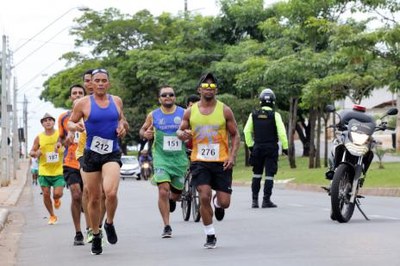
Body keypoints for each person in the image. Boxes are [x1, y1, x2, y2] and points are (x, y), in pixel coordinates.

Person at [68, 68, 128, 255]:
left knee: (110, 193)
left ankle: (108, 223)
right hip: (91, 154)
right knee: (93, 198)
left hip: (112, 152)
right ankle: (95, 234)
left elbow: (122, 121)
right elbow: (70, 122)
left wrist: (121, 127)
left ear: (108, 83)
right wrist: (75, 126)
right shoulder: (82, 103)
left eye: (104, 80)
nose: (101, 83)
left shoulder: (116, 101)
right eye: (97, 81)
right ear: (91, 84)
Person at [177, 72, 240, 249]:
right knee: (203, 195)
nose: (209, 89)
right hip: (200, 161)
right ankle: (210, 234)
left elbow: (235, 135)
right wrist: (183, 134)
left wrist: (232, 156)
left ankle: (217, 203)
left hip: (221, 161)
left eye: (212, 86)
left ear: (216, 90)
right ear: (199, 90)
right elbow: (180, 132)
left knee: (225, 203)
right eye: (205, 86)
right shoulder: (191, 111)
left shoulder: (225, 110)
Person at [139, 85, 188, 238]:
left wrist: (188, 134)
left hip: (179, 159)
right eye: (164, 95)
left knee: (176, 194)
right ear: (159, 98)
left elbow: (194, 130)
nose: (168, 97)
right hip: (161, 158)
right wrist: (145, 133)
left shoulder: (184, 113)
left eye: (171, 94)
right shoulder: (153, 115)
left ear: (175, 97)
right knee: (162, 190)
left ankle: (173, 200)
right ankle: (167, 226)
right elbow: (142, 130)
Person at [75, 69, 107, 244]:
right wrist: (74, 128)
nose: (89, 83)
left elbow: (119, 119)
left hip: (105, 152)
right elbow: (70, 126)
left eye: (91, 80)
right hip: (83, 153)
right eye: (87, 80)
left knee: (104, 193)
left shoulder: (108, 102)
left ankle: (99, 226)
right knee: (88, 190)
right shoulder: (80, 105)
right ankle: (89, 229)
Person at [243, 88, 288, 209]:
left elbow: (246, 131)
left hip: (257, 147)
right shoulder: (275, 115)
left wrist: (251, 146)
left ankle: (254, 201)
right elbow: (282, 133)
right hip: (271, 148)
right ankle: (266, 200)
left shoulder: (253, 115)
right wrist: (285, 147)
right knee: (269, 175)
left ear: (260, 101)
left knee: (256, 174)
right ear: (273, 102)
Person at [58, 84, 88, 245]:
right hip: (70, 161)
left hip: (88, 160)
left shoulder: (91, 113)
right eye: (74, 93)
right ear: (70, 97)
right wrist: (63, 142)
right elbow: (61, 139)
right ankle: (78, 232)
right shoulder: (63, 117)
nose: (77, 95)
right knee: (76, 194)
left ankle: (92, 228)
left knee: (88, 197)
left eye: (80, 93)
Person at [29, 113, 65, 225]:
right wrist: (36, 153)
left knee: (57, 193)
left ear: (54, 122)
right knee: (45, 194)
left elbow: (68, 144)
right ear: (42, 124)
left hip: (59, 169)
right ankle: (52, 215)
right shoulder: (39, 137)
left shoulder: (60, 134)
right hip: (44, 170)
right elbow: (31, 152)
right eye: (45, 120)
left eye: (50, 120)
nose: (48, 122)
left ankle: (56, 199)